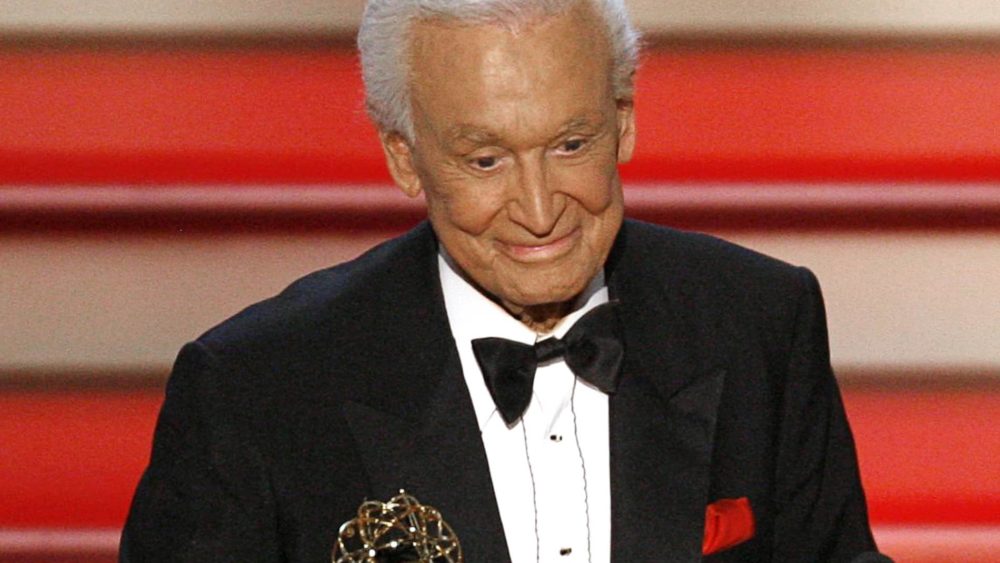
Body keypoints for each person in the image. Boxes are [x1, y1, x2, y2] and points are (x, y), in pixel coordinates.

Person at [121, 0, 880, 561]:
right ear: (402, 156)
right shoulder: (258, 387)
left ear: (625, 119)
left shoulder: (759, 322)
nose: (542, 210)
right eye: (485, 160)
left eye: (571, 143)